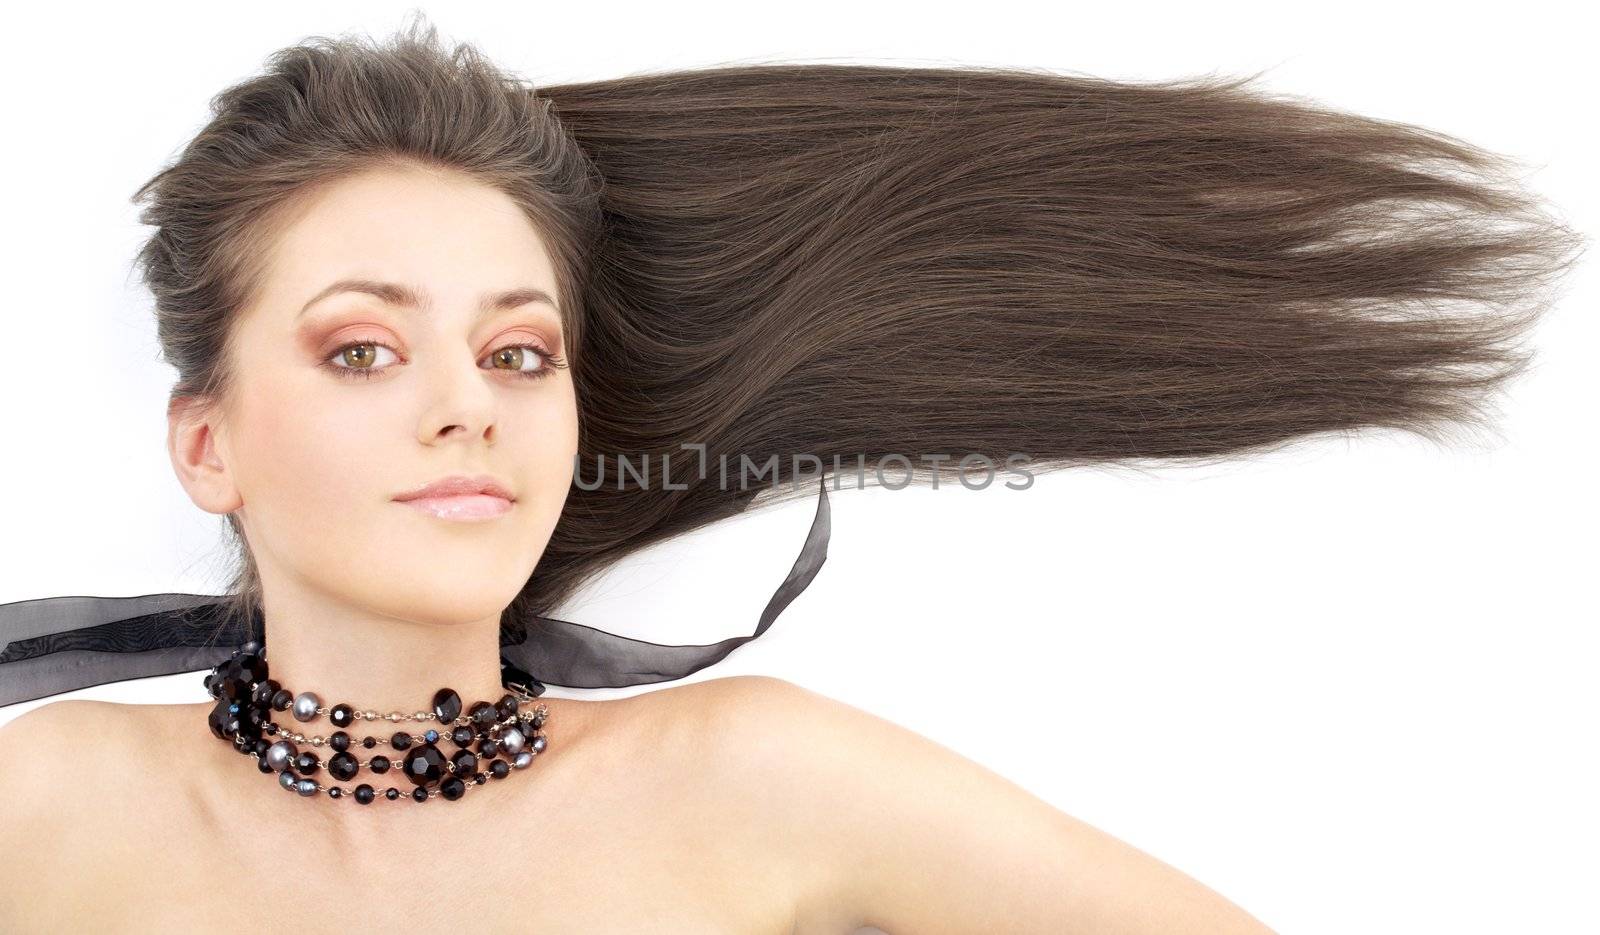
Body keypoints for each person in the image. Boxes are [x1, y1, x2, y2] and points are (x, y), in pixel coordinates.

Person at [0, 15, 1578, 933]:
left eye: (519, 354)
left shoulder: (755, 777)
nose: (463, 407)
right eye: (361, 351)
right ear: (205, 443)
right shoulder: (45, 804)